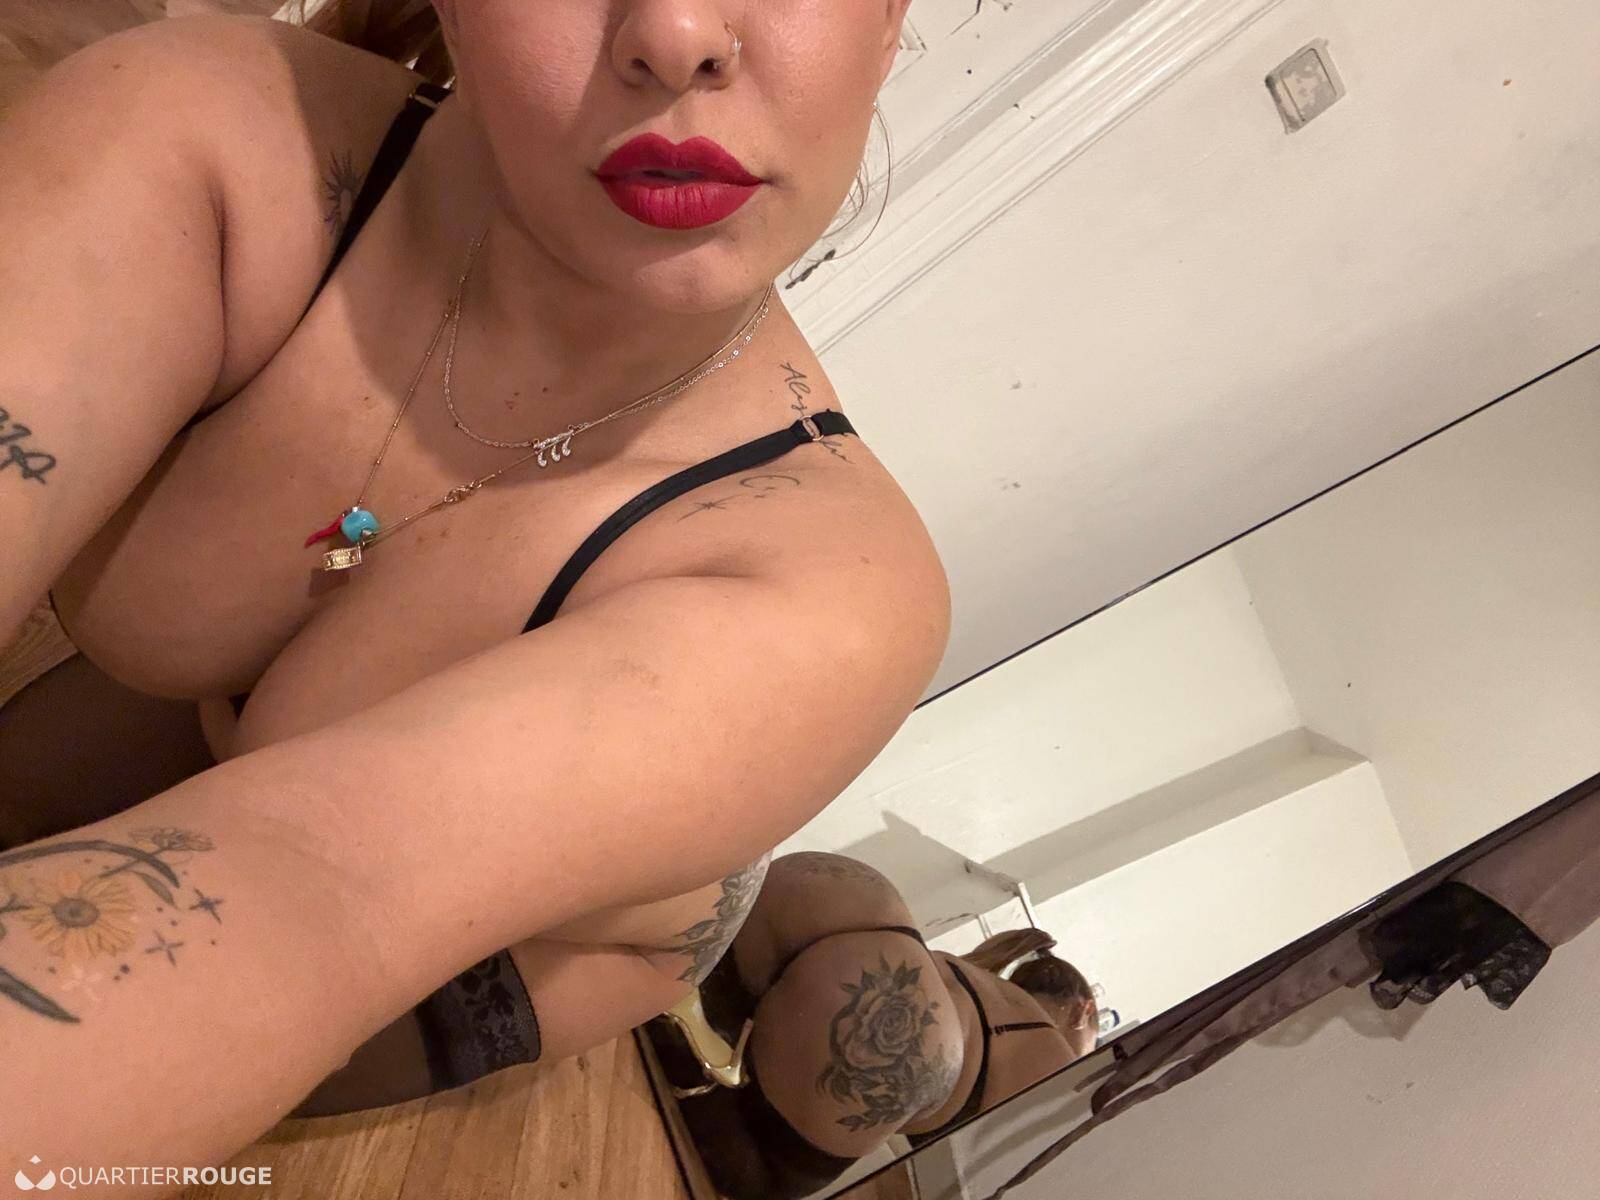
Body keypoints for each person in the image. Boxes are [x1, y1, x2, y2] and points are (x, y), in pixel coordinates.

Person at [0, 0, 952, 1179]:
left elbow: (317, 887)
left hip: (571, 941)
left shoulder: (828, 589)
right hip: (260, 704)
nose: (674, 32)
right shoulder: (207, 133)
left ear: (892, 19)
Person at [651, 852, 1099, 1200]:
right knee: (759, 1179)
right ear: (1083, 1012)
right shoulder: (1067, 1077)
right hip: (896, 1008)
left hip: (846, 894)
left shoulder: (987, 982)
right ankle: (683, 1050)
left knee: (680, 976)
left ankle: (673, 1010)